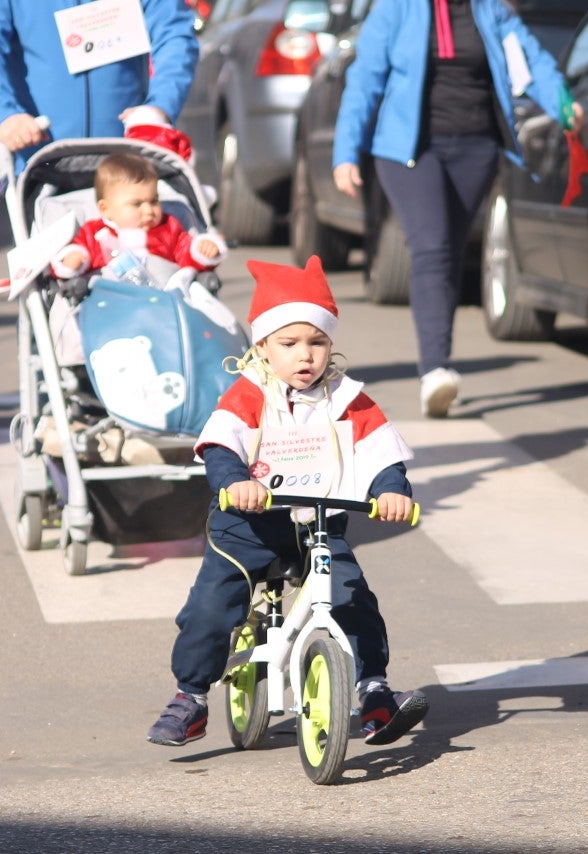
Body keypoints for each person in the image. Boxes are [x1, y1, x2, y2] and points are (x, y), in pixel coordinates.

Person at [147, 256, 428, 747]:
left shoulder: (348, 399)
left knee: (351, 597)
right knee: (212, 605)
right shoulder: (249, 393)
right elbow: (221, 445)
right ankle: (190, 696)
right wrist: (236, 481)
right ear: (262, 347)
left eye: (317, 343)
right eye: (290, 343)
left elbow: (381, 451)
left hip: (316, 527)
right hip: (248, 527)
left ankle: (373, 692)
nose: (306, 356)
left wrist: (391, 490)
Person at [332, 0, 581, 417]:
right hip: (408, 150)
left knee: (448, 254)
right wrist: (346, 152)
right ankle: (435, 371)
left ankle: (438, 362)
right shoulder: (397, 9)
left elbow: (530, 59)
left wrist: (562, 103)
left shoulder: (491, 11)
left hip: (476, 148)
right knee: (431, 248)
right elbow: (365, 79)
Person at [0, 0, 198, 168]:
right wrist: (3, 115)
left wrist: (160, 106)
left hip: (129, 158)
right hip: (42, 160)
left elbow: (175, 35)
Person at [51, 151, 227, 281]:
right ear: (106, 209)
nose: (149, 210)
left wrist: (202, 249)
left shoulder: (167, 228)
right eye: (137, 204)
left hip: (163, 300)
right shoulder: (94, 233)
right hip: (110, 306)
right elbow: (77, 252)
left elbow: (185, 250)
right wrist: (72, 260)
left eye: (154, 201)